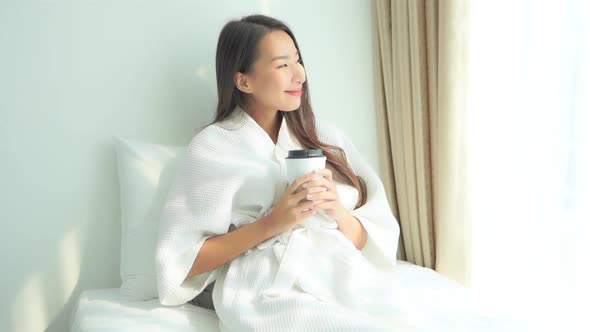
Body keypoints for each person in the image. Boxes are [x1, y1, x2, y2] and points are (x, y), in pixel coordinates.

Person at [155, 14, 523, 332]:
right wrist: (274, 222)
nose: (300, 74)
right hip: (263, 285)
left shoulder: (323, 137)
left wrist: (338, 211)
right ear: (243, 81)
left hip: (339, 270)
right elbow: (183, 261)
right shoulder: (212, 147)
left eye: (298, 61)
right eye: (282, 65)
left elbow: (373, 242)